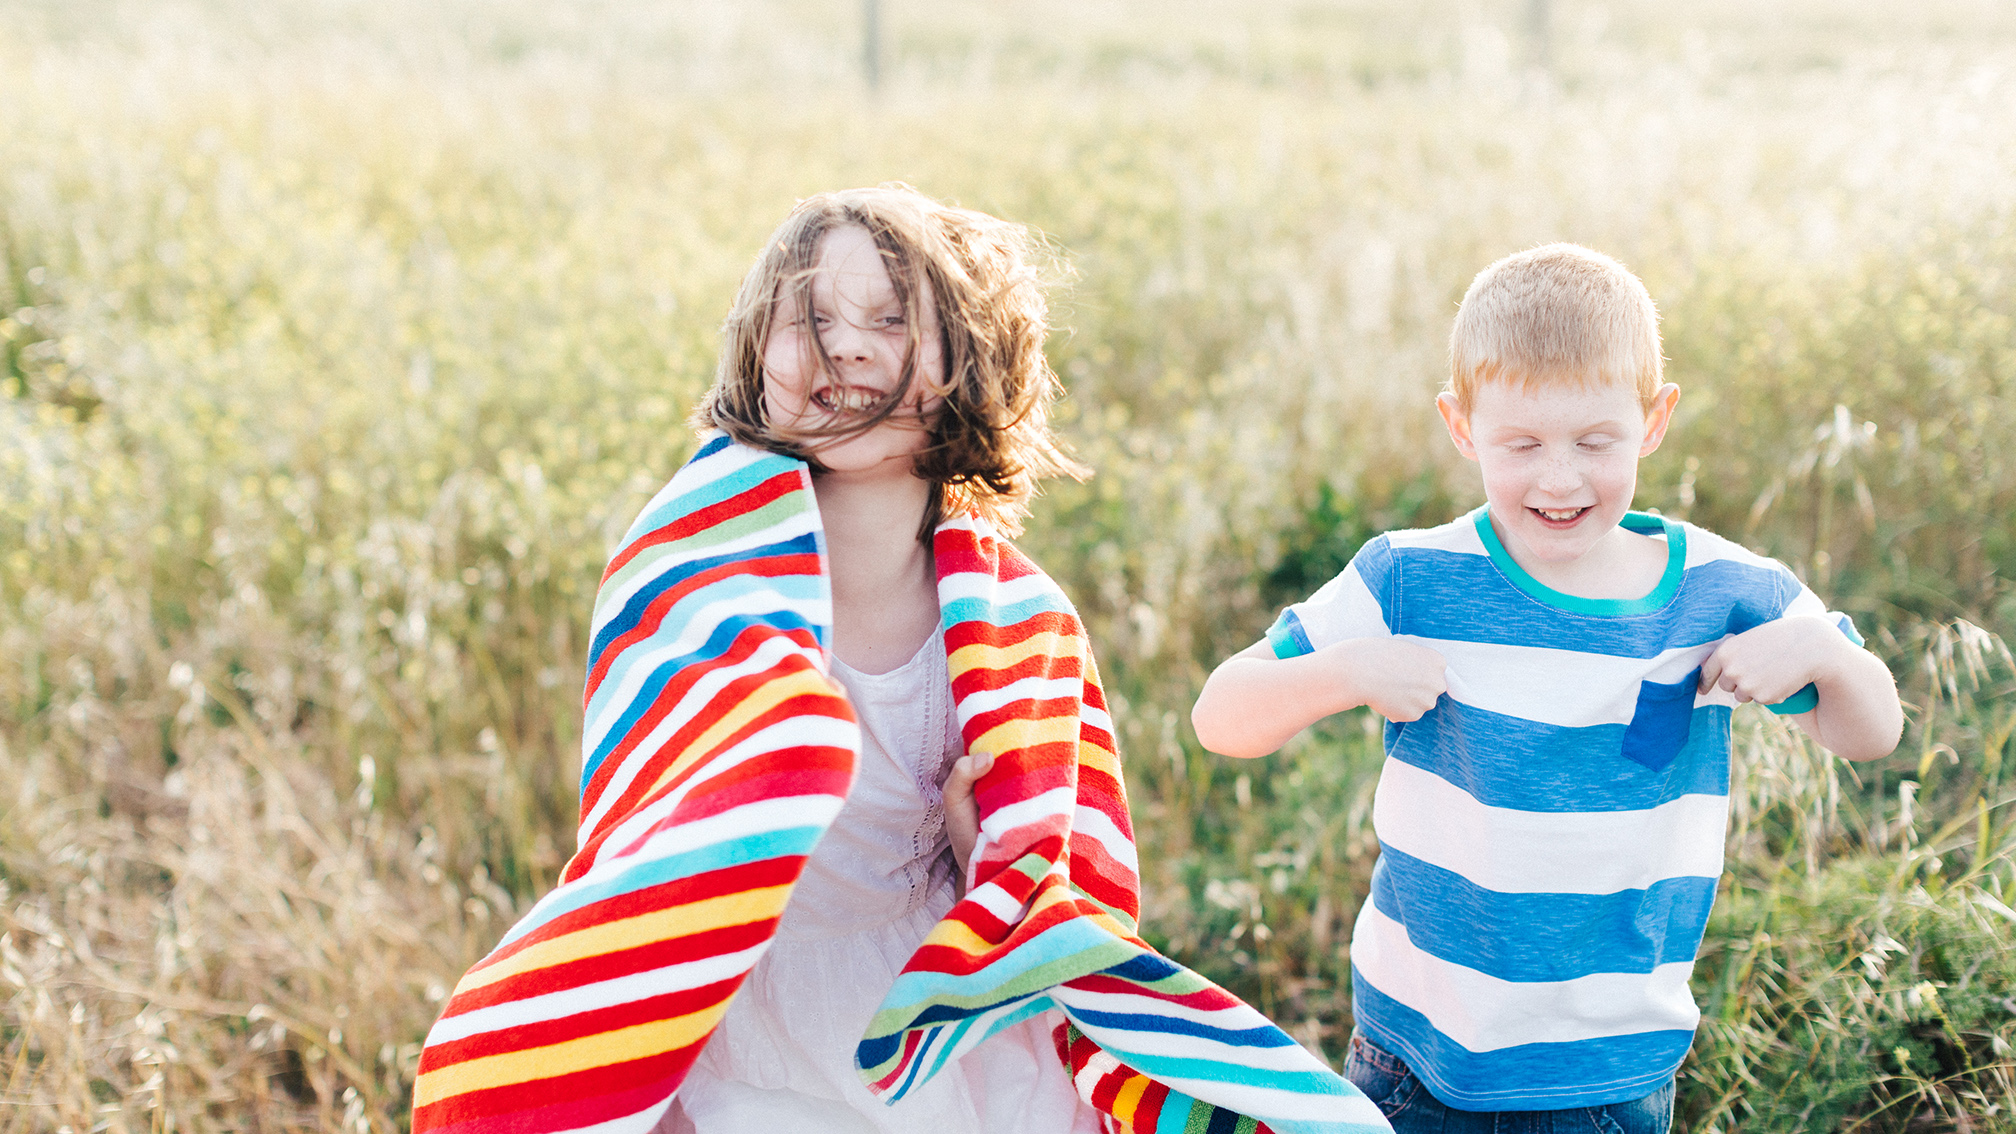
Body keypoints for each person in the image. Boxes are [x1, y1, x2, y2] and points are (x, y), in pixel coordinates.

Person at [412, 185, 1391, 1134]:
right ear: (758, 354)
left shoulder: (1022, 626)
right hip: (743, 1010)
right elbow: (643, 846)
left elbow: (1059, 883)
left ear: (967, 362)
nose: (844, 343)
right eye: (810, 316)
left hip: (936, 1015)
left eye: (888, 317)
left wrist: (986, 859)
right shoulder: (690, 578)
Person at [1190, 243, 1903, 1134]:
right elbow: (1221, 715)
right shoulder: (1413, 578)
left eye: (1595, 441)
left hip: (1607, 1073)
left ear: (1653, 420)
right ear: (1461, 426)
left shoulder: (1726, 593)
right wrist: (1346, 671)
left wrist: (1823, 655)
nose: (1559, 479)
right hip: (1414, 1055)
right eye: (1521, 444)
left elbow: (1872, 732)